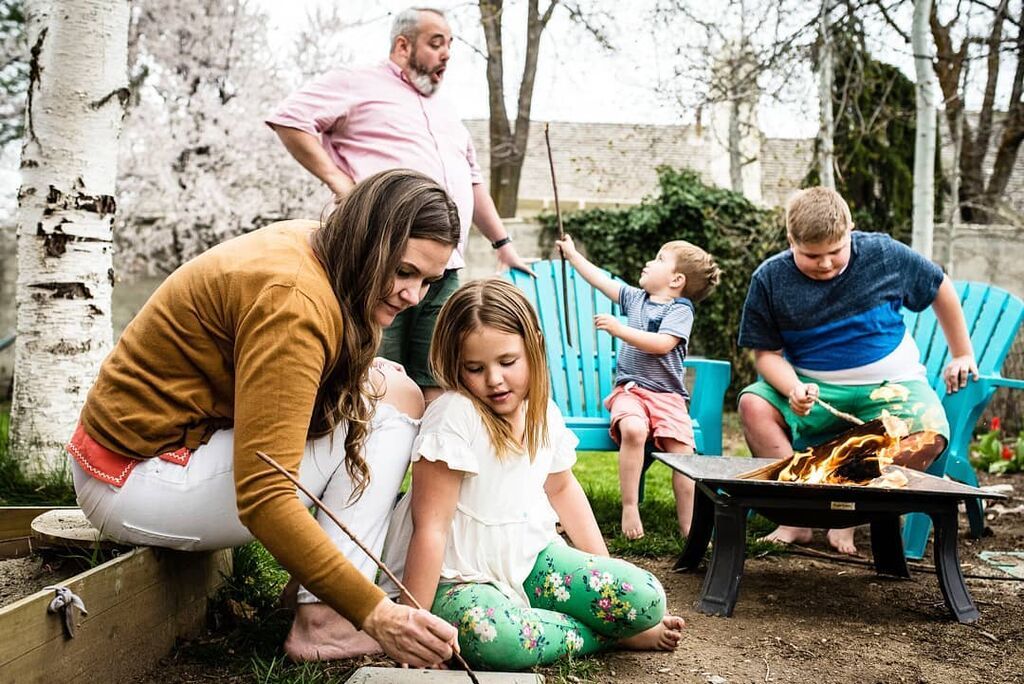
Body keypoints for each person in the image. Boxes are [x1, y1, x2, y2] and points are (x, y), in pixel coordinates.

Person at [65, 170, 464, 664]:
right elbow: (264, 495)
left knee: (389, 389)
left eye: (429, 280)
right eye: (404, 271)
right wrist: (376, 613)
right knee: (393, 405)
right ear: (368, 239)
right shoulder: (293, 303)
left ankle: (313, 596)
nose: (413, 296)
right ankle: (325, 622)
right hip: (132, 481)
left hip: (161, 451)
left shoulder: (317, 248)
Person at [382, 279, 685, 671]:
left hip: (528, 560)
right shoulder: (455, 416)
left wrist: (605, 579)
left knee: (643, 596)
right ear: (456, 364)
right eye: (475, 368)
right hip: (456, 577)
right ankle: (608, 638)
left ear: (534, 346)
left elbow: (562, 489)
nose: (494, 379)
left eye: (507, 362)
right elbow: (431, 529)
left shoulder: (544, 413)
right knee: (495, 637)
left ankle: (613, 626)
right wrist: (415, 630)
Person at [266, 6, 531, 401]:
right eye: (435, 43)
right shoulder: (359, 83)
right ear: (403, 45)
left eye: (450, 45)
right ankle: (362, 460)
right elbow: (290, 118)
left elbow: (472, 181)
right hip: (385, 263)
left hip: (444, 271)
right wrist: (339, 180)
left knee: (439, 379)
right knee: (372, 380)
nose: (446, 54)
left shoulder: (445, 111)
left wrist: (502, 245)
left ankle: (432, 463)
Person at [737, 186, 978, 555]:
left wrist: (962, 353)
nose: (826, 263)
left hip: (893, 387)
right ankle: (795, 518)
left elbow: (939, 287)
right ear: (790, 241)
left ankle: (848, 517)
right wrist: (792, 389)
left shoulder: (883, 255)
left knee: (931, 432)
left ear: (851, 229)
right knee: (753, 405)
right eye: (811, 255)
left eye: (835, 251)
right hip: (815, 389)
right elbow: (765, 353)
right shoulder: (770, 279)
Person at [554, 234, 721, 541]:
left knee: (684, 454)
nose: (649, 261)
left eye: (659, 259)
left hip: (668, 397)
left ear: (676, 280)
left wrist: (621, 330)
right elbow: (600, 280)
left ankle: (689, 525)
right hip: (630, 391)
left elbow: (662, 344)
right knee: (633, 430)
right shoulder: (635, 299)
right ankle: (630, 507)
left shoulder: (680, 311)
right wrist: (573, 255)